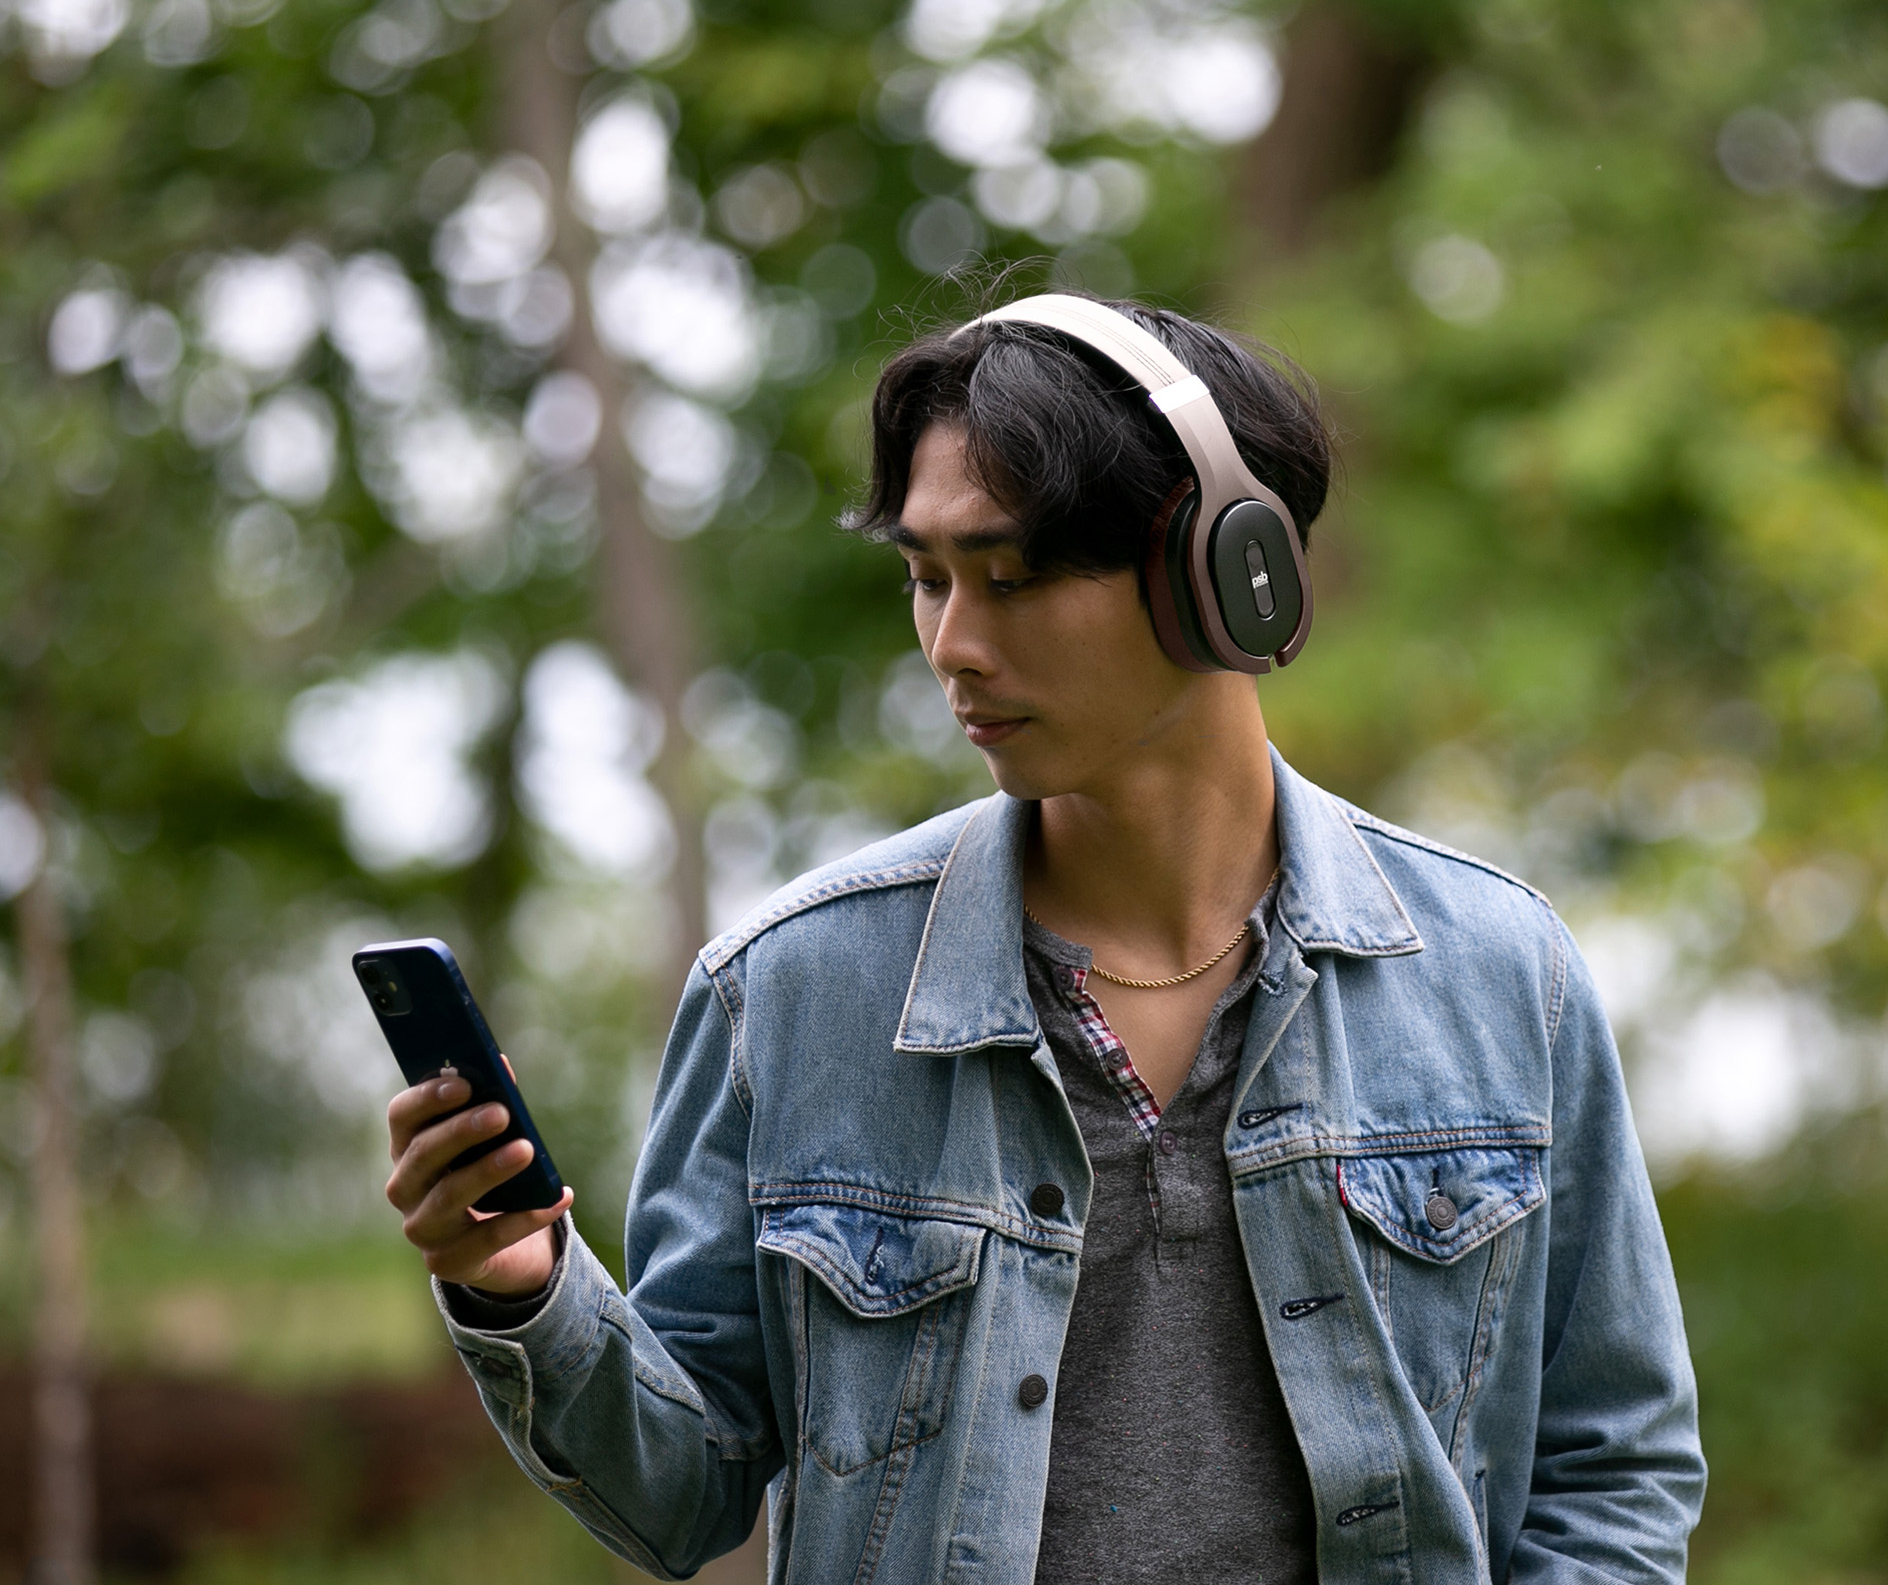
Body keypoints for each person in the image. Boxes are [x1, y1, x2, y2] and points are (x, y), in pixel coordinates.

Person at [382, 294, 1705, 1583]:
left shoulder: (1498, 972)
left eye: (1010, 578)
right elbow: (679, 1500)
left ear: (1224, 574)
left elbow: (1615, 1469)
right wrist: (521, 1287)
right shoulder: (783, 994)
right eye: (926, 578)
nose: (954, 646)